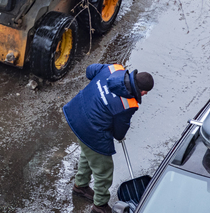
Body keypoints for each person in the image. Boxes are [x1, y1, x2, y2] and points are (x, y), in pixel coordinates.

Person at [62, 64, 154, 213]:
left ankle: (81, 186)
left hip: (75, 112)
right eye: (145, 92)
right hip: (91, 129)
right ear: (142, 91)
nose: (145, 94)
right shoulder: (128, 104)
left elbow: (89, 70)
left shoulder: (114, 69)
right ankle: (100, 205)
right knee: (103, 169)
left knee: (88, 153)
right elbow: (118, 133)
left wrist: (100, 91)